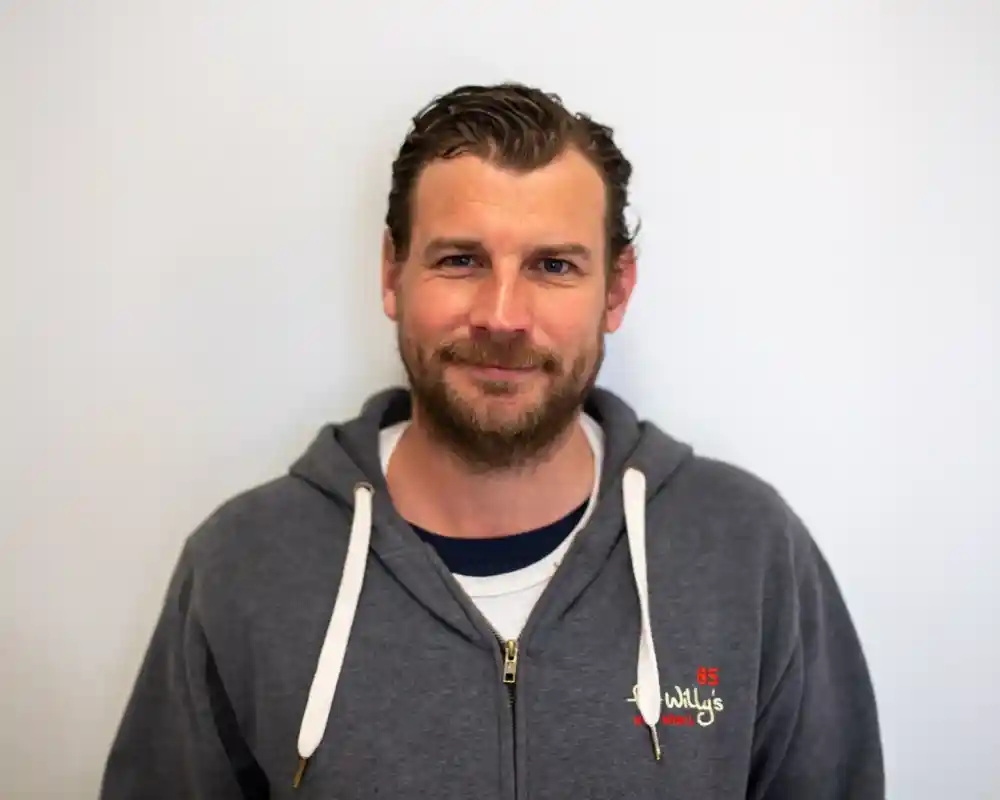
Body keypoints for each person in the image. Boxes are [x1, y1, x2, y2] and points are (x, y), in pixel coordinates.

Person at [100, 83, 884, 799]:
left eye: (552, 265)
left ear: (616, 289)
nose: (502, 315)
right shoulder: (244, 564)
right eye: (461, 259)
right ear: (391, 272)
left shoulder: (747, 552)